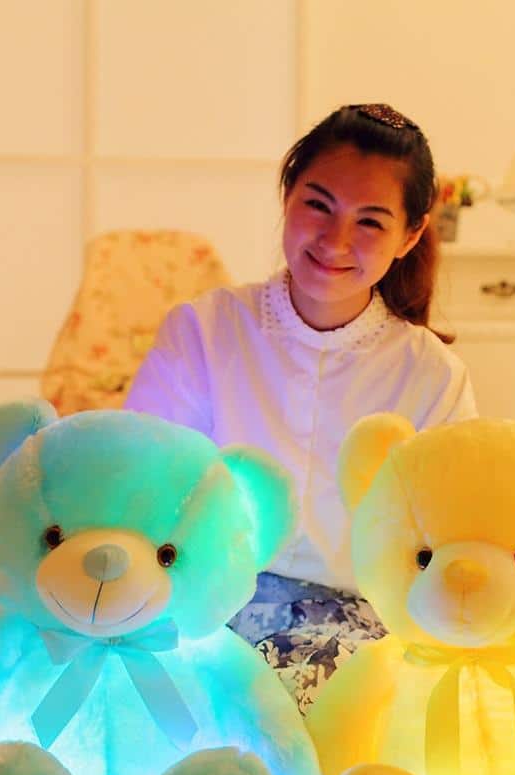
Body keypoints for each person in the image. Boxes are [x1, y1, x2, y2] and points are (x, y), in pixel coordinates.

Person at [124, 103, 478, 714]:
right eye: (319, 205)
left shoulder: (431, 375)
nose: (335, 240)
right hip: (203, 611)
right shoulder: (204, 331)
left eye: (370, 222)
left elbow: (453, 542)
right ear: (288, 195)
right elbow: (136, 488)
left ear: (410, 235)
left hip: (362, 636)